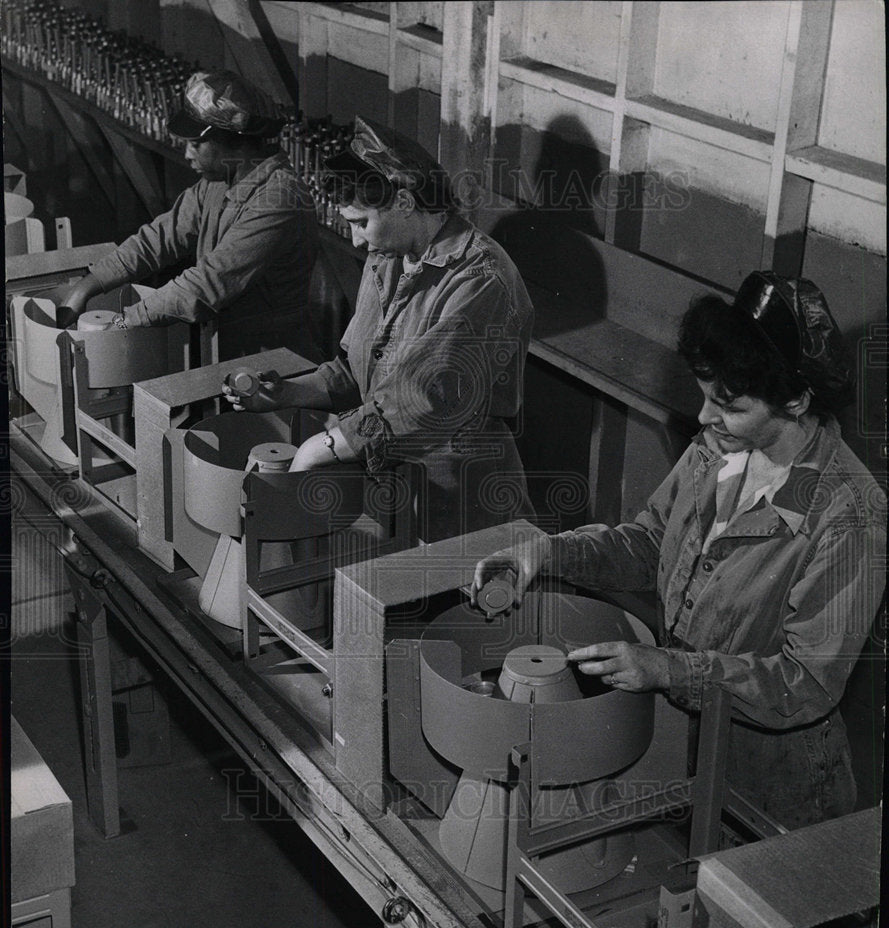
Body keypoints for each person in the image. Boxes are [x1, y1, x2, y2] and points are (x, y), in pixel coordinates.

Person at [472, 271, 886, 831]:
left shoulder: (849, 515)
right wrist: (546, 554)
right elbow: (648, 542)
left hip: (770, 780)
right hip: (681, 740)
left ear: (796, 399)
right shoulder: (718, 451)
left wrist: (670, 670)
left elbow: (805, 684)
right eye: (705, 395)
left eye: (730, 404)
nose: (704, 417)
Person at [224, 116, 535, 543]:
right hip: (394, 489)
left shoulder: (480, 280)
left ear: (405, 202)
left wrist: (324, 446)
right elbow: (358, 370)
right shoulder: (387, 256)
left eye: (360, 222)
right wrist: (289, 393)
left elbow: (425, 398)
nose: (354, 240)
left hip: (463, 504)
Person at [57, 70, 322, 362]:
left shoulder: (279, 198)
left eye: (196, 144)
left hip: (275, 362)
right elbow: (160, 238)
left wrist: (122, 322)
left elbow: (207, 284)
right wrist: (88, 285)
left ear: (235, 142)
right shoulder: (219, 181)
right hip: (227, 349)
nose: (186, 154)